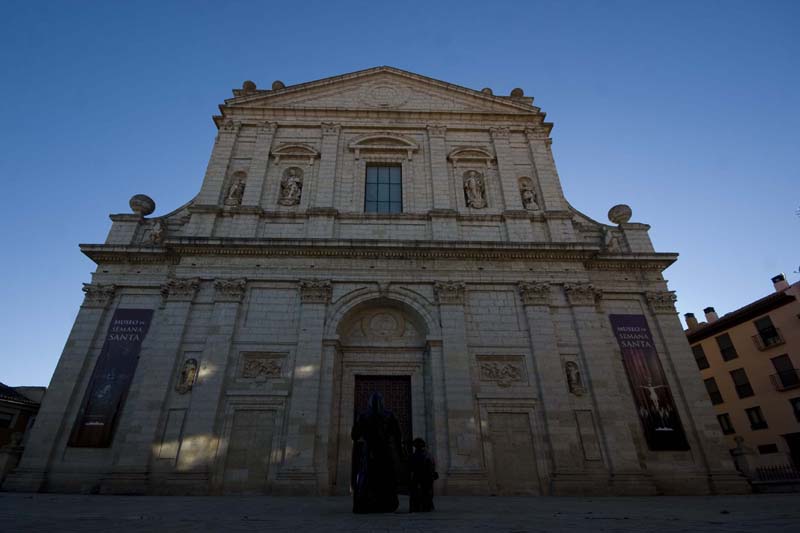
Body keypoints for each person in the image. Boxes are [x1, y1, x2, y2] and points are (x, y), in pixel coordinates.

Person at [351, 392, 403, 513]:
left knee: (368, 478)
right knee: (386, 478)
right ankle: (387, 504)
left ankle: (367, 504)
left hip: (369, 452)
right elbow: (397, 436)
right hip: (385, 452)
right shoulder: (390, 415)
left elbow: (354, 436)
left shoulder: (363, 415)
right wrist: (399, 454)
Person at [408, 438, 437, 512]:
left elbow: (411, 467)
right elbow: (432, 466)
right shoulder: (429, 455)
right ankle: (427, 506)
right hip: (427, 477)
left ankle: (417, 507)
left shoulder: (415, 455)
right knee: (427, 492)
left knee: (417, 493)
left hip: (419, 477)